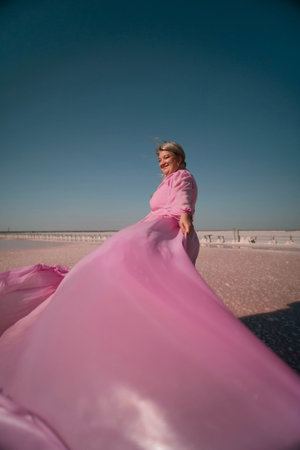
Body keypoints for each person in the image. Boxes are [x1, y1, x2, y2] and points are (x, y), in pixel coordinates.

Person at [0, 141, 299, 450]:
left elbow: (184, 197)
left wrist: (185, 215)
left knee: (124, 263)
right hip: (154, 225)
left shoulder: (184, 176)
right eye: (159, 159)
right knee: (114, 265)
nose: (161, 163)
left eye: (166, 158)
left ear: (179, 158)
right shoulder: (164, 181)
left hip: (170, 229)